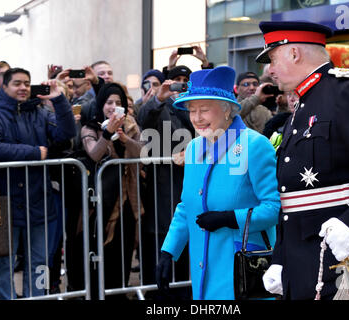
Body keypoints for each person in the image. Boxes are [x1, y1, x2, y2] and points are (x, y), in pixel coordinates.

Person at [256, 21, 349, 300]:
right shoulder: (301, 106)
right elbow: (292, 194)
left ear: (294, 53)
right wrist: (280, 257)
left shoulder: (348, 92)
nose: (270, 71)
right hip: (305, 261)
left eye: (273, 59)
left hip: (345, 259)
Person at [155, 66, 280, 300]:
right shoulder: (193, 148)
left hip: (241, 270)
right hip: (203, 267)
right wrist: (168, 250)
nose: (196, 118)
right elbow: (186, 206)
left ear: (227, 111)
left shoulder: (254, 145)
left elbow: (274, 208)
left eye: (204, 110)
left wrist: (230, 219)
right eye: (192, 110)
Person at [0, 68, 76, 299]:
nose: (23, 87)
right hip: (5, 203)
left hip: (38, 200)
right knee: (4, 263)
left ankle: (39, 297)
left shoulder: (42, 113)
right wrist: (34, 152)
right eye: (16, 83)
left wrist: (59, 100)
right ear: (4, 87)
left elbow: (67, 133)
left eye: (26, 83)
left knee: (40, 261)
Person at [80, 82, 143, 299]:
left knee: (124, 247)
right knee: (101, 248)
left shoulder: (132, 126)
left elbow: (143, 155)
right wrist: (106, 133)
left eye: (118, 103)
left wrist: (125, 139)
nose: (113, 107)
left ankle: (120, 291)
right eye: (109, 102)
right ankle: (98, 293)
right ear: (101, 104)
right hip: (100, 198)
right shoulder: (90, 127)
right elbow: (94, 154)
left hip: (126, 196)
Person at [137, 65, 195, 299]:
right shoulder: (160, 107)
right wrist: (158, 98)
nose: (181, 85)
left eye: (186, 80)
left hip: (194, 187)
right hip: (165, 189)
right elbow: (144, 120)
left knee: (190, 256)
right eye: (177, 80)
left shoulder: (199, 107)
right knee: (166, 249)